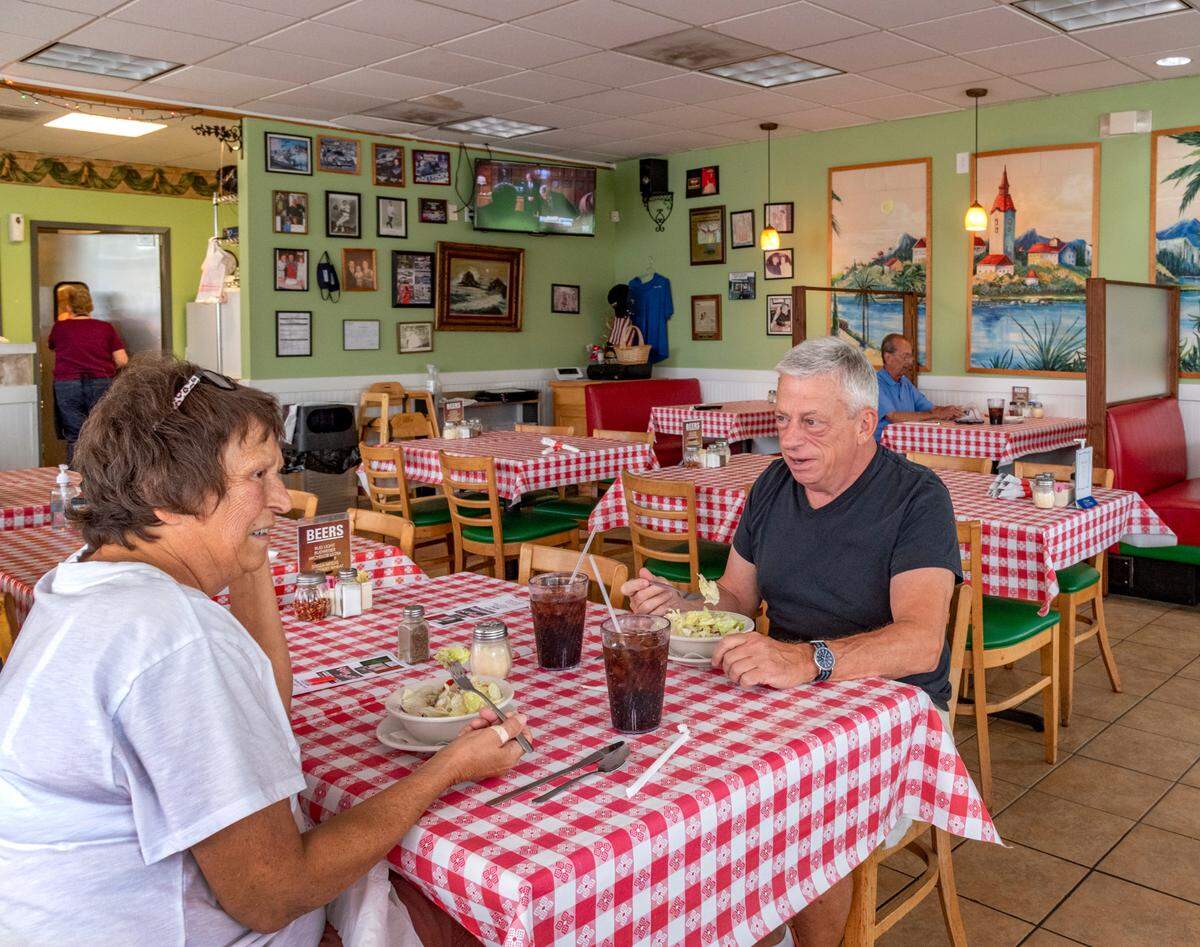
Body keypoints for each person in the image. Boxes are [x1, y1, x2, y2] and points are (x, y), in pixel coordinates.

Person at [0, 354, 530, 945]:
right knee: (471, 919)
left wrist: (244, 557)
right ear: (168, 495)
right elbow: (274, 894)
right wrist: (447, 768)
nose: (284, 499)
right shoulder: (174, 639)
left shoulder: (86, 581)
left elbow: (265, 711)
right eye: (259, 476)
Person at [622, 337, 961, 947]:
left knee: (804, 811)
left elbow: (920, 644)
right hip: (790, 700)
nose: (790, 440)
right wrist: (681, 602)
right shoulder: (773, 485)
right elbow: (734, 600)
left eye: (812, 423)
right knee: (692, 795)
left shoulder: (917, 497)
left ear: (865, 424)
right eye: (782, 419)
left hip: (898, 716)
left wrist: (807, 659)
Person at [47, 283, 128, 463]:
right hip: (101, 382)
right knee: (101, 432)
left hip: (67, 384)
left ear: (68, 306)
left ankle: (76, 481)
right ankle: (102, 480)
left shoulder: (59, 328)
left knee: (75, 436)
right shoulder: (105, 328)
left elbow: (52, 345)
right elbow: (122, 360)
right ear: (90, 305)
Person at [874, 332, 962, 440]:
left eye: (910, 356)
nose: (910, 362)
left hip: (908, 444)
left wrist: (948, 410)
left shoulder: (905, 382)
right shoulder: (875, 383)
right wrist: (937, 414)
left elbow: (930, 408)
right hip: (885, 449)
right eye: (906, 356)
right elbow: (893, 417)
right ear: (888, 358)